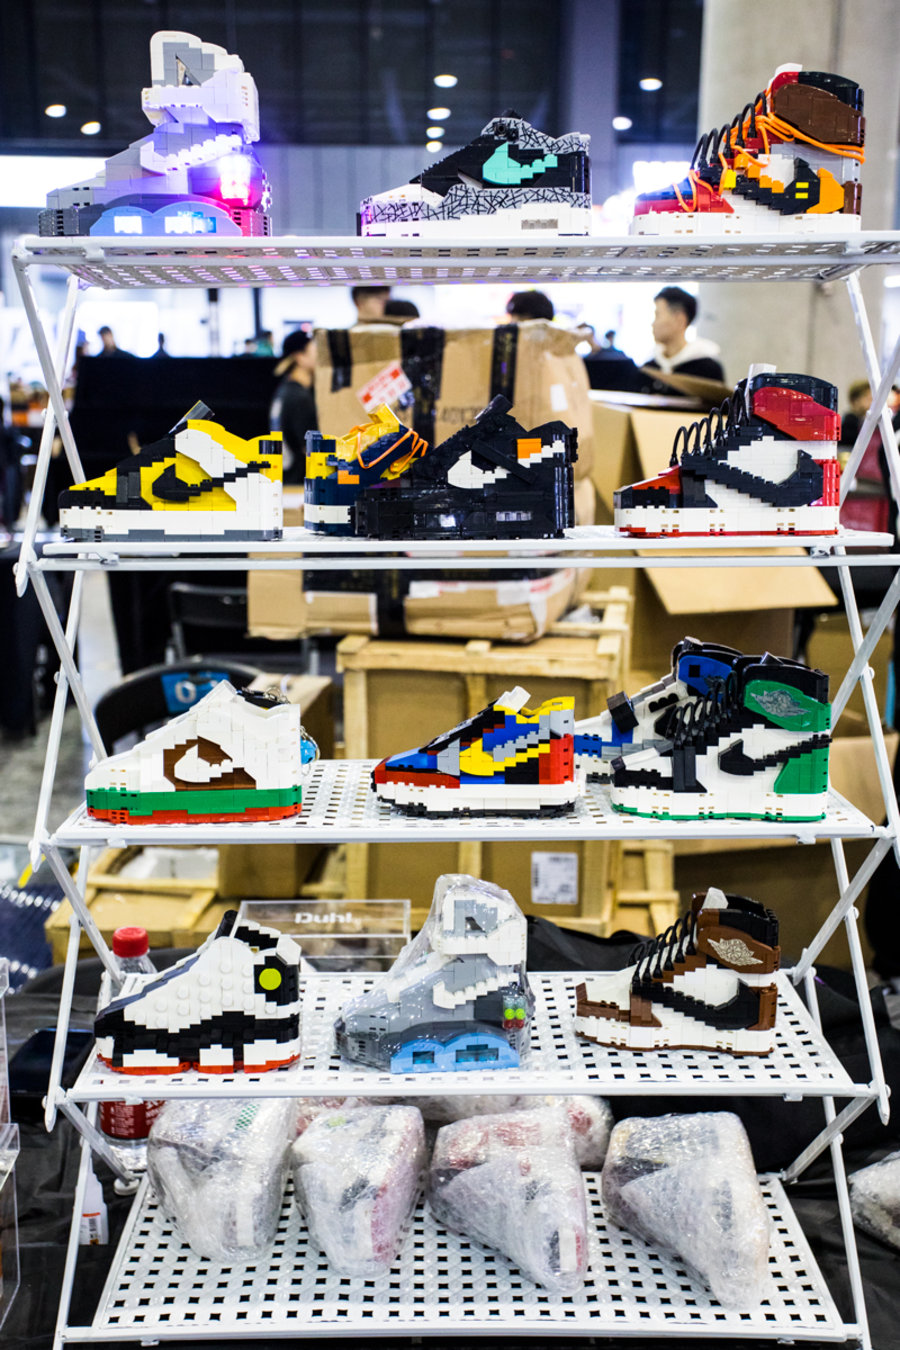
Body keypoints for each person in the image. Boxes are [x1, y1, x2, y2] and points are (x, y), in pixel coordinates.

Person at [644, 286, 725, 383]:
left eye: (657, 315)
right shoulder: (649, 369)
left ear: (679, 320)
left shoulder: (707, 370)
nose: (653, 324)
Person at [269, 330, 317, 484]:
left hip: (285, 478)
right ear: (300, 357)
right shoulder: (299, 398)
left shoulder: (285, 390)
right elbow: (311, 450)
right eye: (315, 350)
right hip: (298, 484)